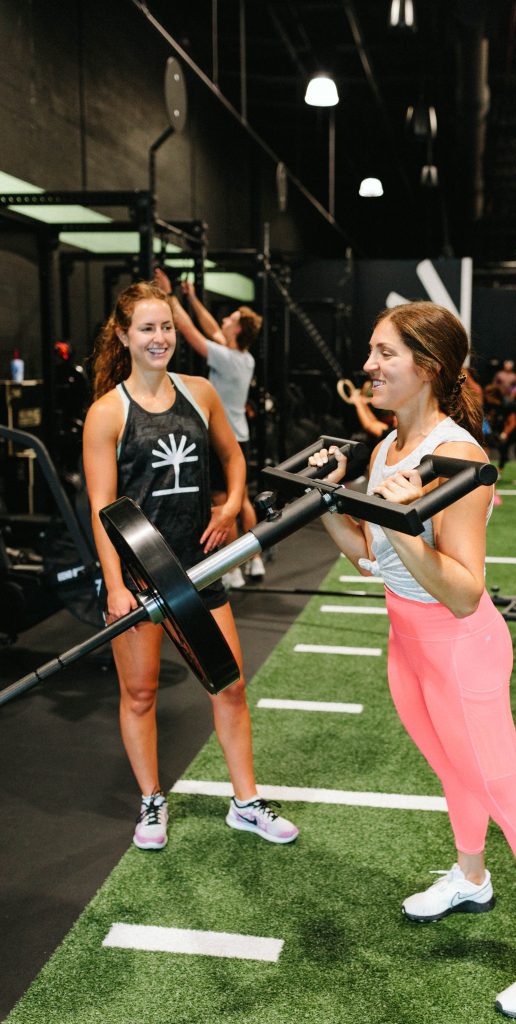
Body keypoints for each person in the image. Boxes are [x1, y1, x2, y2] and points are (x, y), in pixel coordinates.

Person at [308, 301, 516, 1020]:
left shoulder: (457, 455)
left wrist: (401, 527)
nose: (367, 365)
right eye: (370, 352)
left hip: (460, 647)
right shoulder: (386, 446)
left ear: (427, 367)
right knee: (450, 770)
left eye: (383, 354)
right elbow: (372, 555)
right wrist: (325, 503)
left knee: (506, 796)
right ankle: (472, 877)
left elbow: (463, 591)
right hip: (406, 641)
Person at [83, 280, 298, 851]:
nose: (160, 338)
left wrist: (230, 504)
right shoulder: (107, 413)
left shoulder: (200, 392)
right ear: (124, 336)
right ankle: (153, 800)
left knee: (228, 686)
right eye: (148, 328)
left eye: (167, 327)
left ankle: (246, 802)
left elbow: (233, 456)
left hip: (200, 570)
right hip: (139, 576)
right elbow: (103, 510)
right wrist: (114, 587)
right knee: (141, 694)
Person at [154, 268, 264, 589]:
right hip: (239, 438)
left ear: (239, 327)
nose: (225, 321)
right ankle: (254, 562)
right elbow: (212, 328)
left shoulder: (226, 358)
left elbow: (189, 332)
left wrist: (169, 294)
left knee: (221, 503)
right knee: (240, 500)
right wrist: (191, 297)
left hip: (221, 441)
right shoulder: (244, 358)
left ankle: (231, 568)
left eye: (231, 318)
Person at [484, 384, 516, 485]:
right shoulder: (496, 405)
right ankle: (498, 474)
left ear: (494, 396)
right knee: (504, 448)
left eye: (487, 395)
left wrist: (504, 434)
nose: (486, 397)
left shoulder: (508, 404)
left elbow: (512, 422)